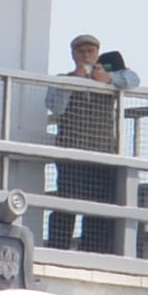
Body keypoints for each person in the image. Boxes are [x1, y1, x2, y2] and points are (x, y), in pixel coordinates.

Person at [46, 28, 124, 254]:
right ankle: (58, 249)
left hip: (101, 153)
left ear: (97, 54)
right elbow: (55, 106)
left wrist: (109, 78)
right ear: (73, 55)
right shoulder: (63, 80)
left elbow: (132, 79)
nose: (86, 56)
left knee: (98, 206)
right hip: (71, 152)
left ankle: (92, 251)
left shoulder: (109, 77)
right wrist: (74, 83)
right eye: (81, 51)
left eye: (90, 51)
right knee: (66, 203)